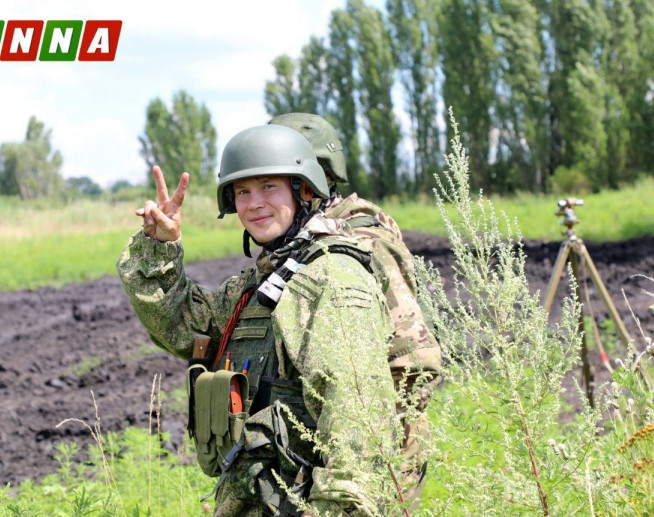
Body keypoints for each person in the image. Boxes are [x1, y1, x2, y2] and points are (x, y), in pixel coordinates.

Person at [117, 124, 401, 516]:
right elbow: (184, 327)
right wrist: (159, 250)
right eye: (243, 192)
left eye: (269, 187)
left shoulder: (332, 278)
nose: (254, 204)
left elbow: (356, 423)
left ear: (303, 190)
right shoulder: (262, 281)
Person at [269, 113, 442, 504]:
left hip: (380, 442)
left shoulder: (357, 239)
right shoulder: (306, 234)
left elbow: (411, 358)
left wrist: (364, 456)